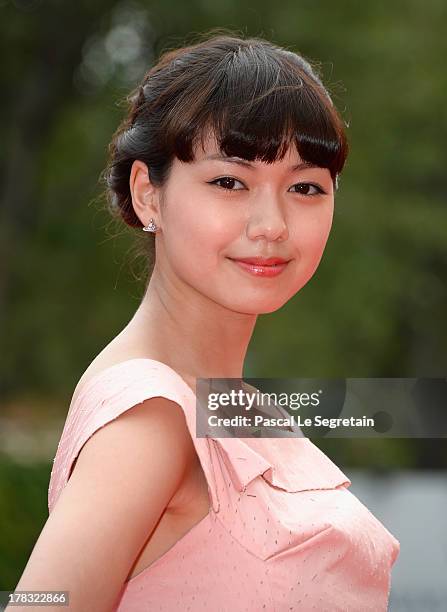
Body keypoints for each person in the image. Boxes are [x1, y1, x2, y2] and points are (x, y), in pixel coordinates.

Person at [12, 31, 400, 611]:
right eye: (229, 181)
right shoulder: (151, 418)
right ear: (148, 195)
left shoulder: (231, 405)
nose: (271, 223)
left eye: (305, 187)